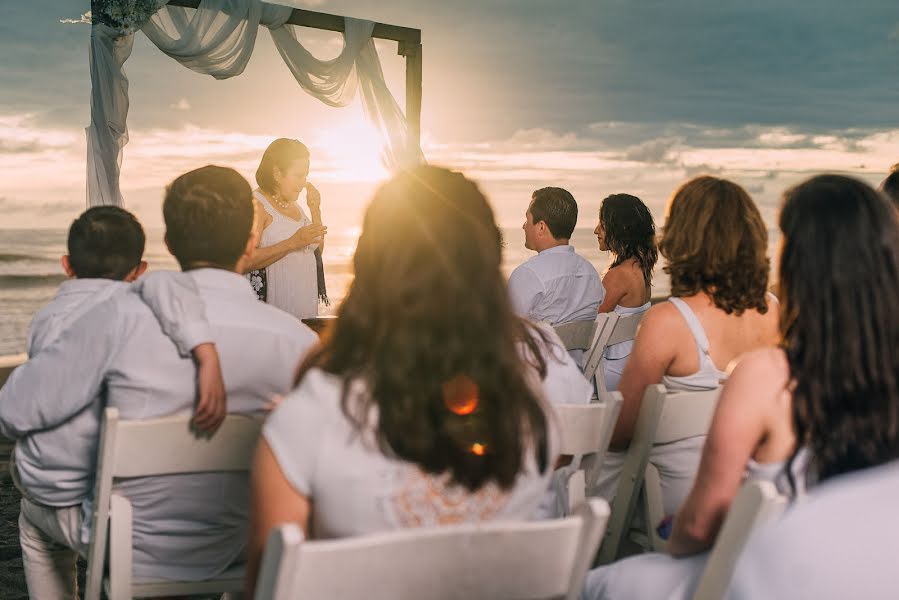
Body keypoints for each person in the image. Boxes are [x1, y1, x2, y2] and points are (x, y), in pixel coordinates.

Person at [245, 166, 594, 596]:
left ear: (370, 261)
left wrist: (292, 436)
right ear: (484, 262)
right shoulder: (538, 393)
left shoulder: (311, 416)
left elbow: (272, 585)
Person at [0, 166, 319, 593]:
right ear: (252, 240)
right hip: (240, 544)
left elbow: (13, 414)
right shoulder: (297, 342)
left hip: (133, 545)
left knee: (34, 521)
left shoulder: (116, 317)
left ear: (169, 242)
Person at [584, 174, 899, 600]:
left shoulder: (764, 372)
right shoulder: (839, 370)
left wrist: (674, 531)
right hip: (847, 562)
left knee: (599, 582)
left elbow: (687, 513)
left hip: (748, 552)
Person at [8, 205, 225, 599]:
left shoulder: (50, 321)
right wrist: (205, 349)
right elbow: (169, 286)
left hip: (86, 507)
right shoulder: (152, 314)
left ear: (66, 265)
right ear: (139, 269)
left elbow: (20, 412)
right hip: (167, 512)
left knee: (33, 522)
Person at [594, 176, 779, 517]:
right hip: (750, 497)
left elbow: (622, 434)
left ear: (682, 235)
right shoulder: (773, 311)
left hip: (678, 500)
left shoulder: (669, 321)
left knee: (574, 473)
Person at [243, 138, 328, 319]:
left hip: (304, 308)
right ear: (277, 173)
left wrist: (315, 210)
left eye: (305, 176)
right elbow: (245, 261)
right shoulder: (257, 206)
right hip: (275, 312)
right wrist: (291, 243)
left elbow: (316, 251)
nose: (303, 183)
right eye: (298, 175)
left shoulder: (296, 207)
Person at [508, 186, 604, 326]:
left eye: (527, 219)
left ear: (541, 227)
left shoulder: (528, 274)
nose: (524, 226)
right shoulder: (591, 274)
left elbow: (504, 330)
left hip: (539, 348)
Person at [593, 194, 658, 392]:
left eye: (602, 225)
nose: (596, 230)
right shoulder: (641, 268)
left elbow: (591, 328)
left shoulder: (618, 275)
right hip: (631, 364)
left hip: (610, 373)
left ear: (619, 229)